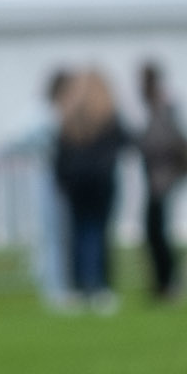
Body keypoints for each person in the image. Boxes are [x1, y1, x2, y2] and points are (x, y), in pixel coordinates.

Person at [47, 68, 130, 310]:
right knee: (98, 234)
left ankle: (80, 286)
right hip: (102, 182)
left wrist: (61, 180)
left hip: (76, 184)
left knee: (78, 233)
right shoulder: (108, 116)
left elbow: (60, 154)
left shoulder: (70, 116)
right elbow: (127, 141)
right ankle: (100, 286)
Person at [134, 62, 187, 305]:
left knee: (157, 233)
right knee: (155, 233)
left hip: (163, 180)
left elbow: (164, 142)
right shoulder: (157, 108)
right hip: (159, 180)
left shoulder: (163, 108)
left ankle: (169, 283)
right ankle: (162, 283)